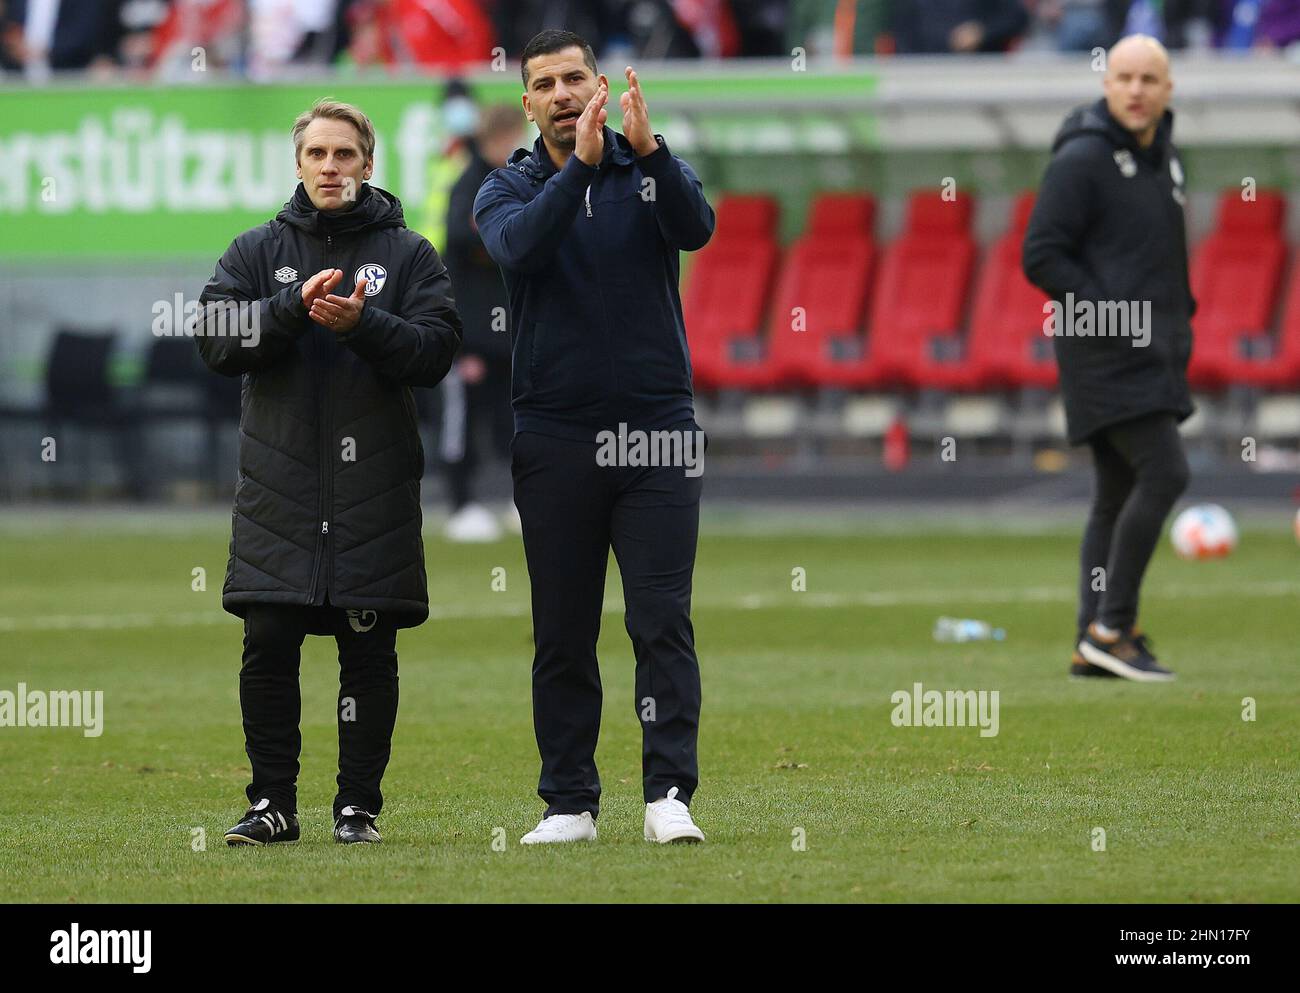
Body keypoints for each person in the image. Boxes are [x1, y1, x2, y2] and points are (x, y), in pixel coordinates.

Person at [195, 99, 462, 844]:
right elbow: (215, 337)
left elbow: (437, 351)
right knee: (268, 643)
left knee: (367, 649)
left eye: (344, 155)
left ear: (368, 165)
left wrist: (364, 323)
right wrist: (287, 308)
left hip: (370, 490)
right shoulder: (254, 251)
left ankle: (357, 807)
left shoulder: (410, 256)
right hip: (278, 495)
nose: (331, 167)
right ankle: (272, 803)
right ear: (299, 164)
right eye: (317, 155)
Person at [474, 29, 716, 844]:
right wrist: (577, 166)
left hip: (657, 428)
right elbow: (520, 247)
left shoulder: (647, 167)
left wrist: (650, 154)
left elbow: (696, 228)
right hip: (556, 433)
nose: (563, 92)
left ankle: (668, 794)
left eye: (575, 77)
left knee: (660, 618)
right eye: (545, 83)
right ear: (528, 102)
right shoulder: (505, 188)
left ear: (601, 84)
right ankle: (569, 801)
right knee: (564, 627)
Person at [1023, 34, 1193, 682]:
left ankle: (1090, 640)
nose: (1136, 89)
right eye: (1124, 77)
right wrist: (1110, 313)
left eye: (1150, 78)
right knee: (1166, 472)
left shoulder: (1164, 159)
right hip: (1104, 353)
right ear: (1106, 84)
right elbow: (1041, 253)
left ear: (1168, 88)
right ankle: (1112, 626)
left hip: (1155, 352)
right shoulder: (1083, 159)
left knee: (1115, 493)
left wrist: (1184, 318)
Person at [439, 104, 524, 542]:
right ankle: (460, 504)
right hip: (469, 334)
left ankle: (519, 501)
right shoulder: (469, 184)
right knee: (463, 419)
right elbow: (459, 238)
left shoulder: (515, 182)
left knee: (513, 421)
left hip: (507, 333)